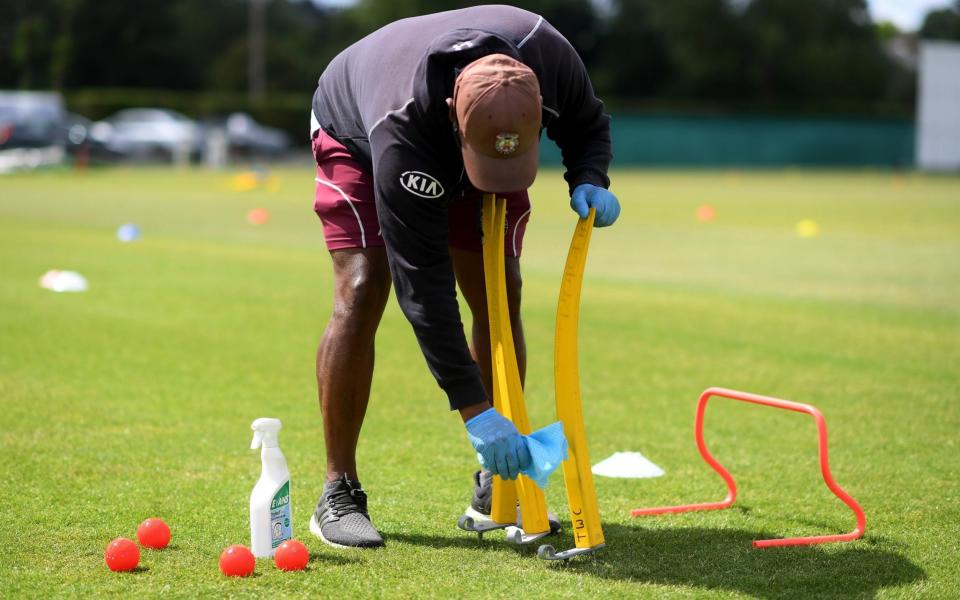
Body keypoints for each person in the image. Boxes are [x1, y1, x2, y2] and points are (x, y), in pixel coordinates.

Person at [308, 5, 620, 549]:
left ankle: (497, 486)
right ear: (454, 110)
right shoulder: (398, 126)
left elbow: (588, 123)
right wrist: (477, 414)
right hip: (357, 133)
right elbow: (424, 288)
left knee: (500, 291)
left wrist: (588, 176)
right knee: (362, 290)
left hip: (458, 134)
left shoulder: (549, 54)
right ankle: (339, 489)